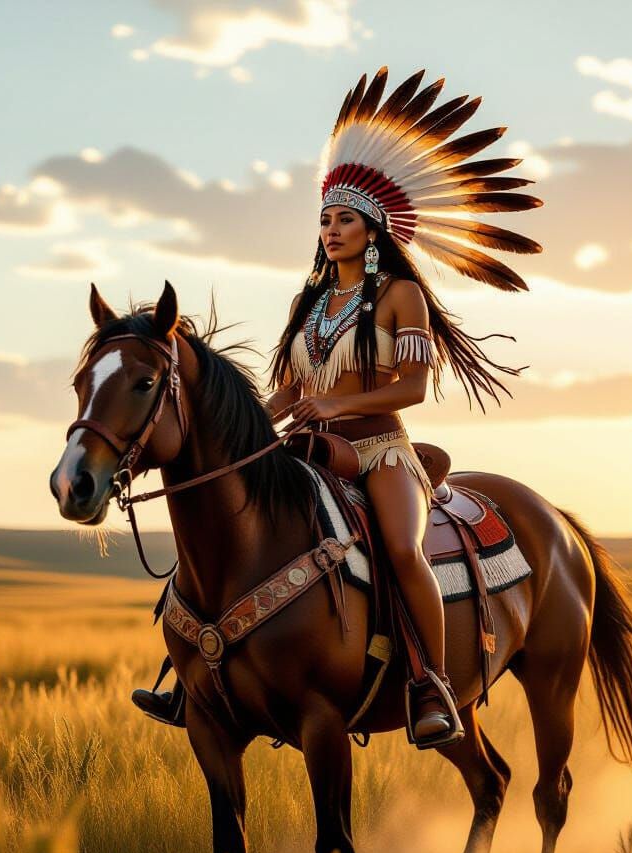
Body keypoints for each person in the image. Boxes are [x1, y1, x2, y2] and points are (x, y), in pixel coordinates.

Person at [264, 67, 541, 748]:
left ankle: (429, 681)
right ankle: (205, 675)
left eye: (345, 219)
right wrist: (248, 424)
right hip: (310, 450)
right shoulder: (310, 304)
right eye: (325, 218)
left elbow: (413, 389)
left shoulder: (398, 298)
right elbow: (290, 393)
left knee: (399, 545)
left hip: (381, 452)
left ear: (374, 228)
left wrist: (333, 401)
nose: (331, 229)